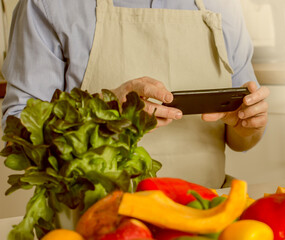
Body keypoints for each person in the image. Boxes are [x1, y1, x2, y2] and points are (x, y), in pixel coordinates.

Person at [1, 0, 269, 188]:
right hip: (94, 221)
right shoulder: (48, 5)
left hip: (205, 213)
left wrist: (248, 127)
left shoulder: (224, 6)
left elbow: (243, 136)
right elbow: (18, 137)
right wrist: (103, 115)